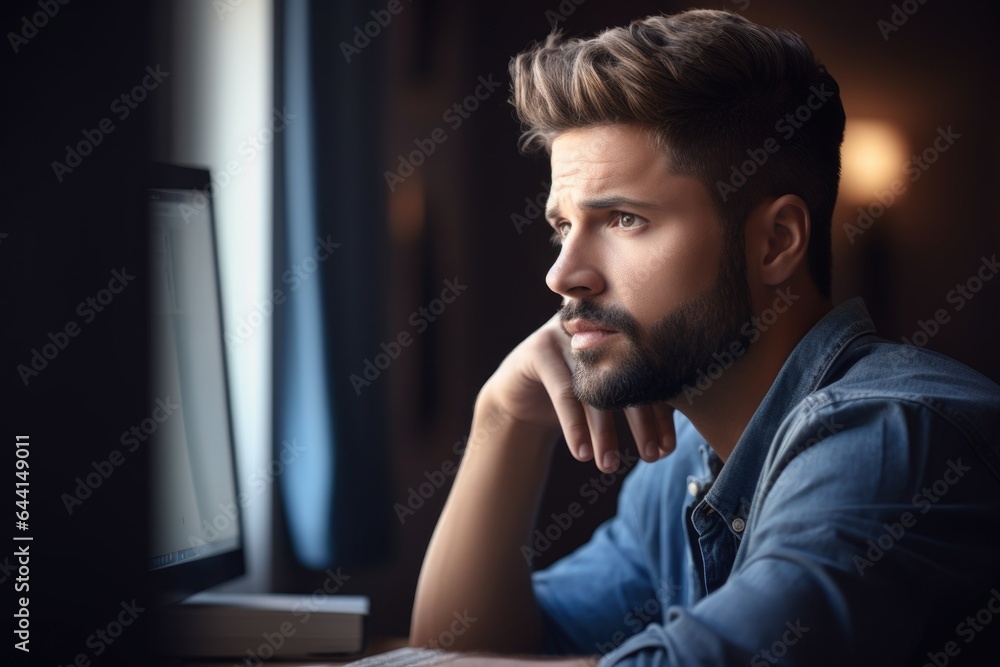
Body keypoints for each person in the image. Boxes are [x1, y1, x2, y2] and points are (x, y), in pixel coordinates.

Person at [409, 9, 1000, 665]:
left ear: (776, 241)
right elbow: (462, 650)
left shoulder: (887, 438)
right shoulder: (684, 466)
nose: (562, 275)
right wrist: (503, 418)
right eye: (561, 227)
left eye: (625, 218)